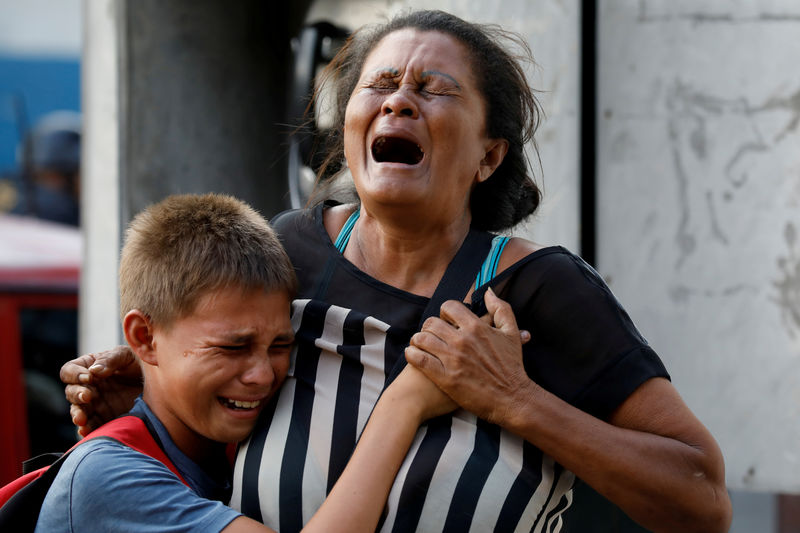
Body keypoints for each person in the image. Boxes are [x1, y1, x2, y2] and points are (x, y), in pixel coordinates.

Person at [60, 10, 732, 533]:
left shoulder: (542, 291)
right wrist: (155, 390)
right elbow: (221, 405)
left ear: (489, 156)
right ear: (349, 128)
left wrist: (516, 400)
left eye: (434, 89)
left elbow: (702, 502)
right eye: (378, 84)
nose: (399, 100)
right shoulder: (290, 254)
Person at [36, 193, 454, 532]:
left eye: (279, 345)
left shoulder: (233, 450)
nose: (261, 375)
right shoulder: (107, 478)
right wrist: (403, 405)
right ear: (145, 338)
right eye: (232, 348)